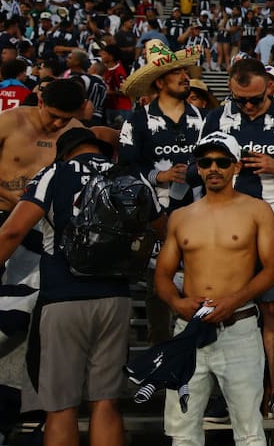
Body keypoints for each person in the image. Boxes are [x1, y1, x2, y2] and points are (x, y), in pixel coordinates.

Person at [0, 128, 152, 446]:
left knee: (61, 407)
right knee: (106, 404)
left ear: (64, 152)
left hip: (63, 299)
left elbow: (13, 233)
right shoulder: (129, 175)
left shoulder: (55, 172)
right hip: (116, 298)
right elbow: (160, 228)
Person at [197, 58, 274, 422]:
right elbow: (199, 165)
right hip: (223, 226)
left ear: (270, 88)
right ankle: (224, 395)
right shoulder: (216, 118)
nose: (246, 106)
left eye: (254, 99)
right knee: (223, 308)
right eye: (240, 99)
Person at [155, 131, 274, 446]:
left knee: (249, 428)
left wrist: (233, 301)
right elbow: (162, 274)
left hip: (238, 326)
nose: (213, 168)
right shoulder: (181, 217)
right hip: (190, 327)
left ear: (236, 167)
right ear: (198, 167)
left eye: (222, 162)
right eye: (206, 162)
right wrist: (177, 303)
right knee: (182, 431)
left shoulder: (257, 210)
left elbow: (273, 268)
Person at [118, 42, 206, 345]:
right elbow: (125, 169)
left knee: (201, 281)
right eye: (176, 72)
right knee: (159, 288)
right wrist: (159, 175)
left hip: (199, 213)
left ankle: (195, 349)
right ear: (160, 81)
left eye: (184, 70)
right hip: (155, 218)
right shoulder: (137, 119)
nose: (185, 76)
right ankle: (159, 356)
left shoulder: (204, 118)